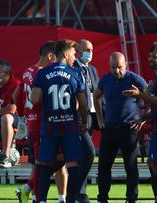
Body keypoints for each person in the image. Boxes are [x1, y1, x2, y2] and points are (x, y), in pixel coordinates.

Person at [30, 39, 88, 203]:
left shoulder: (41, 73)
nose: (75, 56)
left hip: (49, 127)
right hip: (69, 126)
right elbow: (83, 104)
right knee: (72, 164)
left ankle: (41, 200)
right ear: (64, 53)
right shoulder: (75, 74)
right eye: (73, 53)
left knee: (43, 164)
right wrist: (84, 122)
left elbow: (34, 99)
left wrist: (40, 94)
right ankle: (70, 200)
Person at [14, 41, 68, 203]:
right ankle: (31, 191)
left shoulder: (27, 72)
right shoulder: (44, 74)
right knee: (59, 160)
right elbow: (43, 98)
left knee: (42, 162)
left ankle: (40, 196)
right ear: (50, 56)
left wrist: (23, 117)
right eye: (56, 58)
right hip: (45, 124)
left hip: (32, 124)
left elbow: (17, 94)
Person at [123, 42, 157, 203]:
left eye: (155, 57)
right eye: (150, 56)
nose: (150, 59)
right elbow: (156, 107)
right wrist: (142, 119)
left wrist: (140, 95)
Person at [94, 52, 147, 203]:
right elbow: (95, 96)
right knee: (103, 165)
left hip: (128, 128)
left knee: (130, 166)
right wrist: (100, 118)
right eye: (113, 67)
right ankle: (102, 198)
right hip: (109, 128)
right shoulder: (105, 79)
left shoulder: (135, 79)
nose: (116, 71)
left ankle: (131, 198)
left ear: (126, 65)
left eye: (120, 67)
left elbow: (151, 96)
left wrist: (143, 118)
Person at [73, 39, 98, 203]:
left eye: (91, 49)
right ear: (77, 51)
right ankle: (78, 192)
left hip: (92, 116)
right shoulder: (72, 69)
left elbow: (96, 92)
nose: (89, 52)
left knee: (84, 155)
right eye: (86, 49)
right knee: (88, 153)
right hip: (77, 116)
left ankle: (78, 191)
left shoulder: (92, 69)